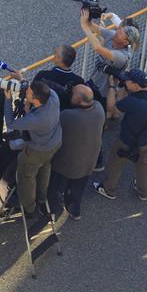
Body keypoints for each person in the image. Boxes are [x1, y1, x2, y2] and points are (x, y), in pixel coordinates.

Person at [94, 69, 147, 201]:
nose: (125, 81)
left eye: (127, 81)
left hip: (128, 141)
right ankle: (143, 191)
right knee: (143, 164)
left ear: (135, 85)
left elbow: (112, 108)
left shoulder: (133, 102)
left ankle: (108, 189)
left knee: (115, 163)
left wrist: (112, 86)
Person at [47, 85, 104, 220]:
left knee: (54, 188)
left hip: (67, 163)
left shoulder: (68, 116)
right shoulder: (99, 108)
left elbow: (52, 123)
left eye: (71, 93)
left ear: (78, 99)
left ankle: (52, 212)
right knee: (78, 188)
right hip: (89, 160)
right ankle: (74, 210)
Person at [5, 81, 62, 216]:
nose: (25, 93)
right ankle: (41, 197)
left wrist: (8, 100)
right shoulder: (53, 97)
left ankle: (29, 208)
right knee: (45, 167)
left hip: (37, 151)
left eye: (28, 93)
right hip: (54, 143)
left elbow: (11, 123)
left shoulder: (37, 118)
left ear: (35, 100)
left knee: (26, 177)